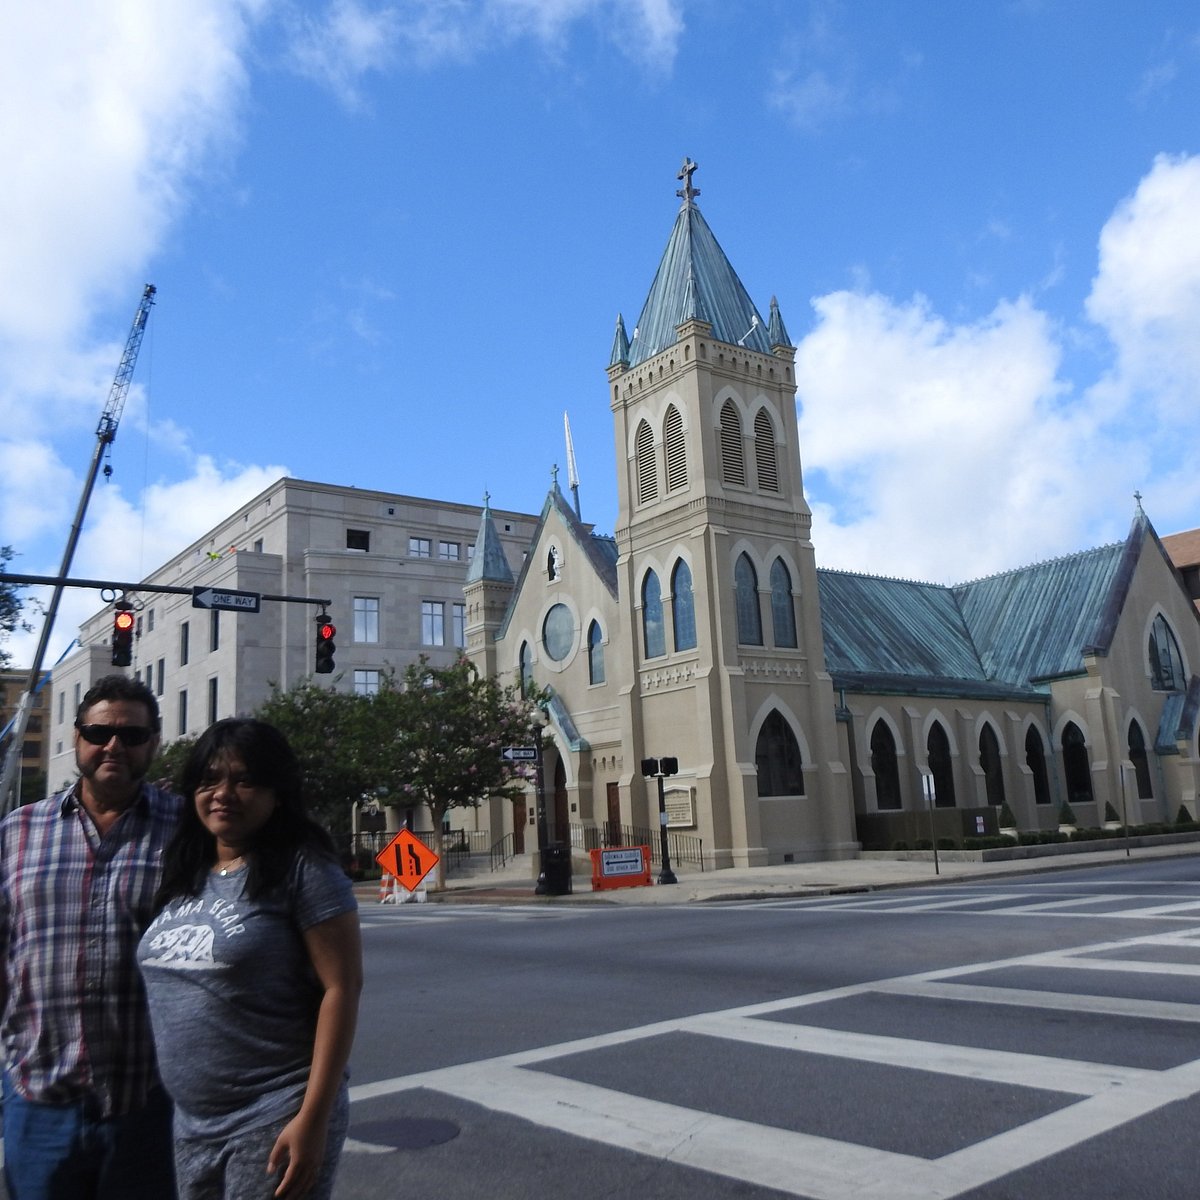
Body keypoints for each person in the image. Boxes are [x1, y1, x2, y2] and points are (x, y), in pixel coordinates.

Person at [138, 718, 362, 1200]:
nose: (223, 793)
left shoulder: (303, 868)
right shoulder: (185, 870)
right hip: (192, 1124)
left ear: (277, 793)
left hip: (274, 1113)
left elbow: (341, 989)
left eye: (244, 780)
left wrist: (313, 1118)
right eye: (209, 779)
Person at [0, 674, 182, 1200]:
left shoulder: (188, 832)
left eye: (132, 735)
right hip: (38, 1101)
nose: (114, 746)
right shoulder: (16, 832)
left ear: (153, 742)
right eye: (100, 733)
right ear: (77, 738)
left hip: (150, 1105)